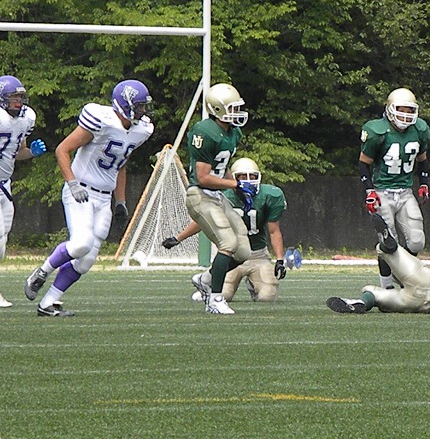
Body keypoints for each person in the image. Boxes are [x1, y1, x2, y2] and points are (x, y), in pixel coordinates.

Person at [24, 79, 154, 316]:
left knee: (86, 260)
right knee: (80, 244)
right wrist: (72, 183)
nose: (143, 111)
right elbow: (62, 149)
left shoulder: (141, 130)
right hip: (81, 190)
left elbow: (121, 165)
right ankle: (41, 272)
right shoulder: (101, 120)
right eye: (139, 106)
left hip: (104, 199)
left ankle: (48, 303)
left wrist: (121, 201)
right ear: (124, 104)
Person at [162, 157, 287, 302]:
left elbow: (274, 231)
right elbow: (203, 222)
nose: (248, 181)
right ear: (234, 178)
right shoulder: (223, 196)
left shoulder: (270, 195)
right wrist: (178, 238)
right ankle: (207, 285)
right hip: (232, 256)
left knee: (267, 297)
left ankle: (252, 283)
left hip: (258, 256)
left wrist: (280, 260)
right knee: (224, 296)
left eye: (252, 176)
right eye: (242, 177)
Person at [182, 83, 255, 315]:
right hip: (200, 195)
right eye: (232, 108)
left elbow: (222, 169)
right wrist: (236, 185)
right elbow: (203, 177)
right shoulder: (205, 131)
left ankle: (205, 279)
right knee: (228, 244)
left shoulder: (233, 132)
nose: (237, 113)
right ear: (217, 109)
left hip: (217, 196)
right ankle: (215, 299)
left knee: (243, 252)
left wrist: (239, 190)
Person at [359, 87, 430, 289]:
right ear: (390, 109)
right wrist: (369, 190)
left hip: (406, 192)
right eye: (401, 110)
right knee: (388, 242)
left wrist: (424, 183)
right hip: (382, 191)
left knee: (416, 241)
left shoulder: (420, 129)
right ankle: (386, 286)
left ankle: (402, 272)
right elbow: (364, 164)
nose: (405, 115)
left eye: (410, 110)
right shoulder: (377, 131)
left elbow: (423, 160)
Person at [0, 76, 47, 308]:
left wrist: (32, 154)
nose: (18, 102)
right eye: (13, 98)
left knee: (3, 240)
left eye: (20, 97)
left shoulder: (26, 118)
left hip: (5, 183)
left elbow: (19, 152)